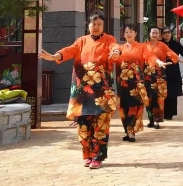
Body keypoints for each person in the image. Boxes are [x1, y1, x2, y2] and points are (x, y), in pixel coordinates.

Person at [38, 11, 121, 169]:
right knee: (83, 126)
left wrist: (116, 52)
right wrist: (54, 56)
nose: (96, 27)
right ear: (88, 25)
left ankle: (98, 156)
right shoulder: (81, 41)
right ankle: (88, 155)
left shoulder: (109, 40)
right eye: (93, 24)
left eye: (99, 25)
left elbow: (114, 48)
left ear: (103, 26)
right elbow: (69, 50)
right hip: (83, 93)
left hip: (102, 92)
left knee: (101, 125)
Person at [116, 24, 169, 142]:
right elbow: (112, 59)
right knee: (122, 109)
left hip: (136, 83)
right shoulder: (119, 48)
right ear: (123, 34)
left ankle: (131, 132)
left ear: (135, 34)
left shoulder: (141, 47)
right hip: (122, 84)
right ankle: (127, 130)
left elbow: (149, 56)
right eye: (126, 32)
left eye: (131, 31)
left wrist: (158, 62)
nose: (128, 34)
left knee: (135, 107)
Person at [144, 27, 178, 129]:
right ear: (149, 34)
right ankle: (151, 120)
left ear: (159, 35)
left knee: (158, 98)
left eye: (156, 33)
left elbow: (171, 54)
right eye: (152, 32)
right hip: (147, 75)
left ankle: (157, 121)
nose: (154, 34)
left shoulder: (162, 45)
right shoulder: (144, 46)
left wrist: (178, 59)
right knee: (148, 98)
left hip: (159, 75)